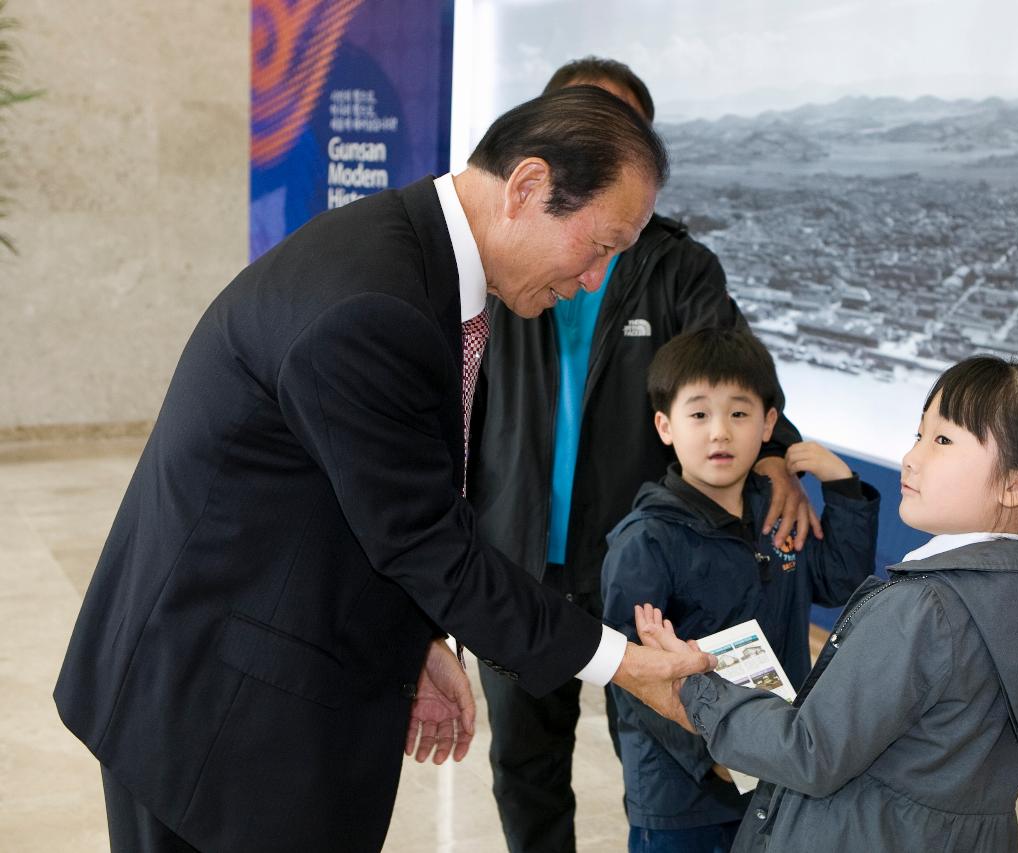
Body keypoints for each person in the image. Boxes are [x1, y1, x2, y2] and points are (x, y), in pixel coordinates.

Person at [52, 87, 714, 853]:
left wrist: (418, 639)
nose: (597, 279)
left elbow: (377, 497)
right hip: (212, 713)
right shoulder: (376, 303)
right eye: (600, 245)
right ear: (528, 188)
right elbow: (425, 542)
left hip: (263, 663)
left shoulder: (418, 260)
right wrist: (624, 663)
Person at [469, 56, 817, 853]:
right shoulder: (498, 262)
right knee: (524, 760)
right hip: (516, 556)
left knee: (662, 760)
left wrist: (777, 455)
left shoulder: (676, 264)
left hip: (641, 568)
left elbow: (729, 368)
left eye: (616, 129)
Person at [638, 355, 1018, 852]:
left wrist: (694, 686)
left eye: (943, 441)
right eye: (920, 435)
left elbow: (808, 752)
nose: (912, 457)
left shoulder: (926, 610)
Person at [600, 328, 881, 853]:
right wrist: (711, 756)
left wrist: (843, 489)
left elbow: (838, 582)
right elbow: (629, 672)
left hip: (778, 770)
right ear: (664, 425)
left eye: (739, 413)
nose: (720, 434)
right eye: (699, 414)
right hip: (685, 796)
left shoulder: (779, 513)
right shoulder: (646, 540)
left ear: (769, 423)